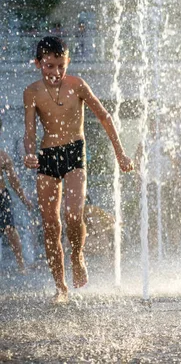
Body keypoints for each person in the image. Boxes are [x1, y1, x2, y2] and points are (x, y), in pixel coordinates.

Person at [23, 36, 134, 303]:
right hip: (48, 156)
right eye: (49, 66)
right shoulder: (32, 92)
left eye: (60, 66)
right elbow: (29, 132)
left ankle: (77, 254)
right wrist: (28, 153)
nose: (56, 73)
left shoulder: (78, 85)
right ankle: (60, 286)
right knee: (50, 226)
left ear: (67, 62)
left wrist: (120, 153)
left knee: (73, 214)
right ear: (38, 64)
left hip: (74, 152)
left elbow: (105, 117)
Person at [0, 119, 33, 274]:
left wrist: (24, 199)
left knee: (10, 230)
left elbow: (14, 182)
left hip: (2, 197)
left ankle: (21, 264)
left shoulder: (3, 157)